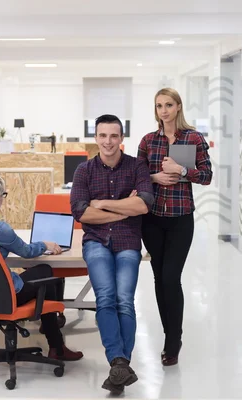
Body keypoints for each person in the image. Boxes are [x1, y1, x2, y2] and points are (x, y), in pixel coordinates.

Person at [0, 171, 83, 361]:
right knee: (46, 273)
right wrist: (45, 244)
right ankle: (55, 343)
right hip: (5, 295)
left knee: (42, 273)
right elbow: (26, 251)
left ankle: (51, 324)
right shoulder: (1, 229)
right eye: (3, 195)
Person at [70, 114, 154, 395]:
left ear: (121, 139)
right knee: (105, 297)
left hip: (128, 241)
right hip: (95, 243)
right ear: (96, 137)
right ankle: (118, 362)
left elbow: (143, 206)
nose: (108, 142)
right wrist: (123, 207)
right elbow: (81, 212)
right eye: (103, 136)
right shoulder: (83, 171)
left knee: (124, 300)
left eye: (114, 136)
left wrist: (104, 205)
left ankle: (120, 364)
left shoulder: (136, 166)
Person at [137, 88, 212, 367]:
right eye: (159, 105)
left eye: (169, 105)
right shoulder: (148, 141)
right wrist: (155, 176)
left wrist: (181, 170)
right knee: (159, 277)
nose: (164, 110)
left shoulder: (193, 138)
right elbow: (138, 178)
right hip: (153, 217)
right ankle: (169, 334)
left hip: (181, 217)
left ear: (178, 107)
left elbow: (206, 176)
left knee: (171, 277)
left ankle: (173, 339)